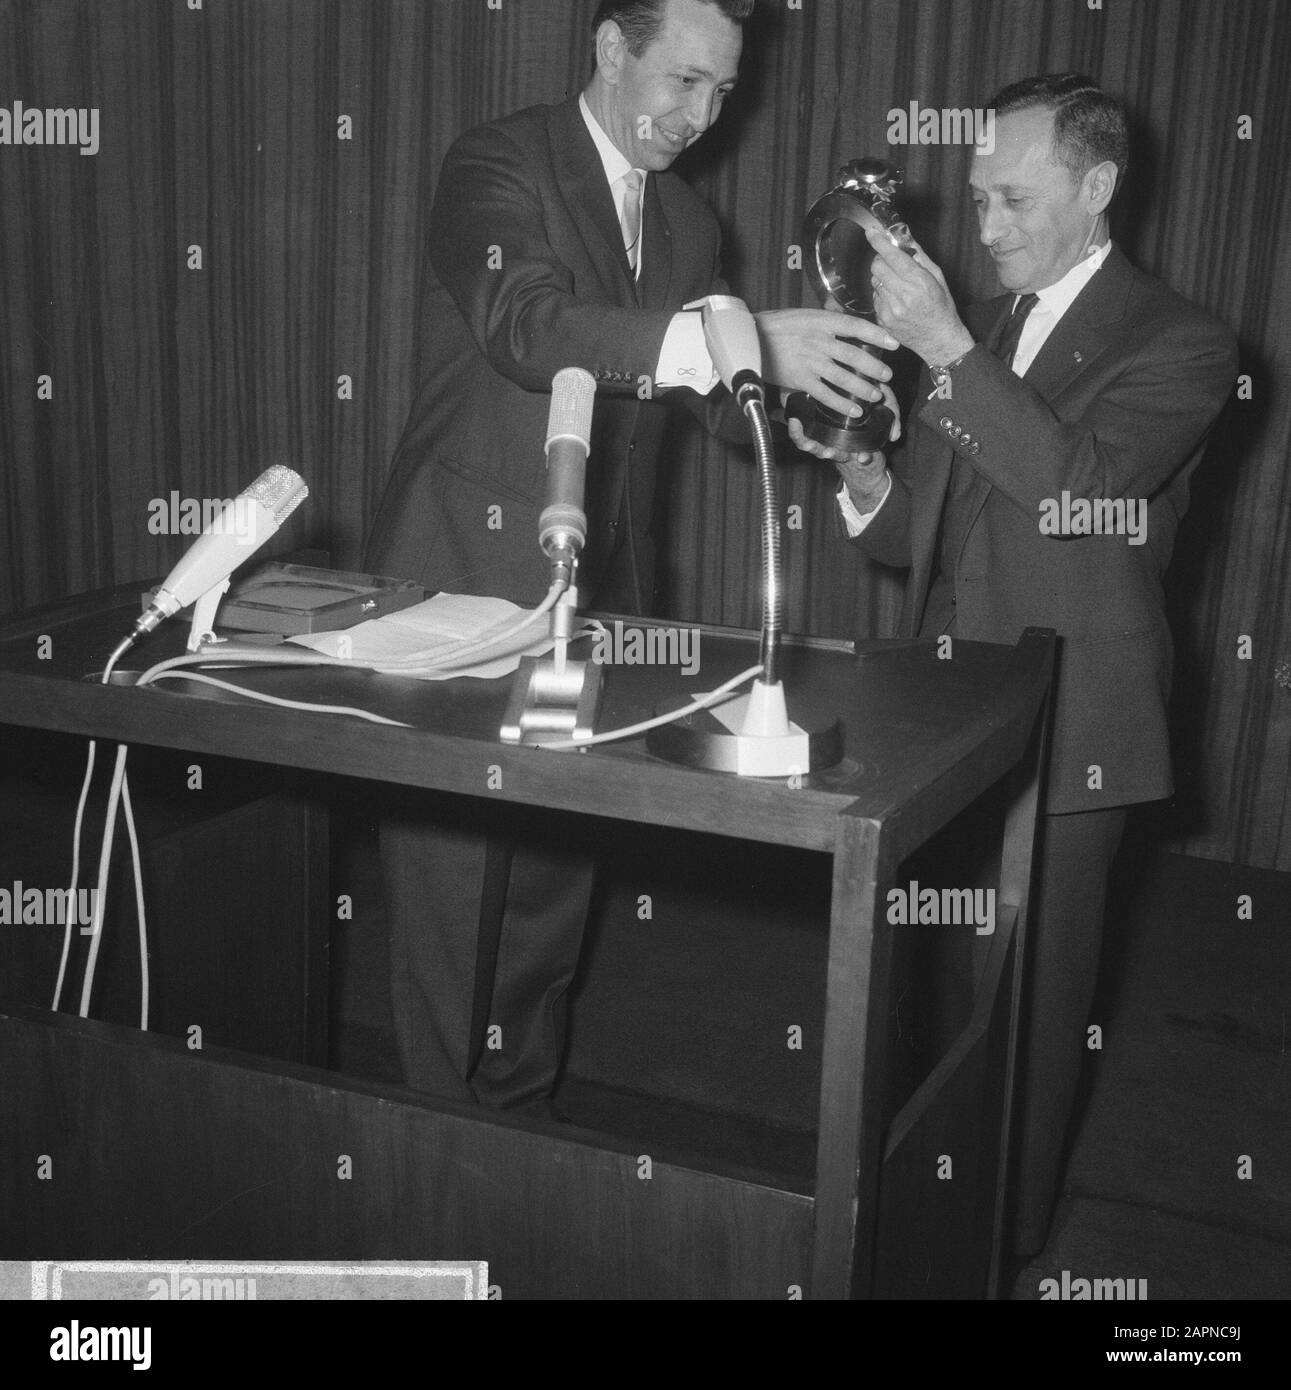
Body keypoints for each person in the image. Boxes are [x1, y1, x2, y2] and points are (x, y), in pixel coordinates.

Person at [363, 0, 895, 1114]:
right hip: (461, 571)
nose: (701, 115)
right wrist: (730, 337)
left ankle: (518, 1125)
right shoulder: (496, 164)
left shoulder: (693, 226)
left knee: (554, 881)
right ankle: (427, 1156)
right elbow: (529, 326)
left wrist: (774, 405)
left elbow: (673, 395)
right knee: (454, 887)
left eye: (722, 93)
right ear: (610, 50)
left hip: (600, 600)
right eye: (683, 81)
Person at [800, 73, 1238, 1253]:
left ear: (1096, 190)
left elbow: (1077, 493)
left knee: (1032, 1021)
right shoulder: (992, 335)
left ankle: (997, 1252)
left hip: (1074, 728)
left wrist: (942, 347)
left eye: (1012, 199)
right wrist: (856, 467)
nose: (983, 228)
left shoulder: (1184, 343)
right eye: (979, 197)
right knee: (933, 1004)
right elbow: (923, 540)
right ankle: (912, 1230)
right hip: (950, 716)